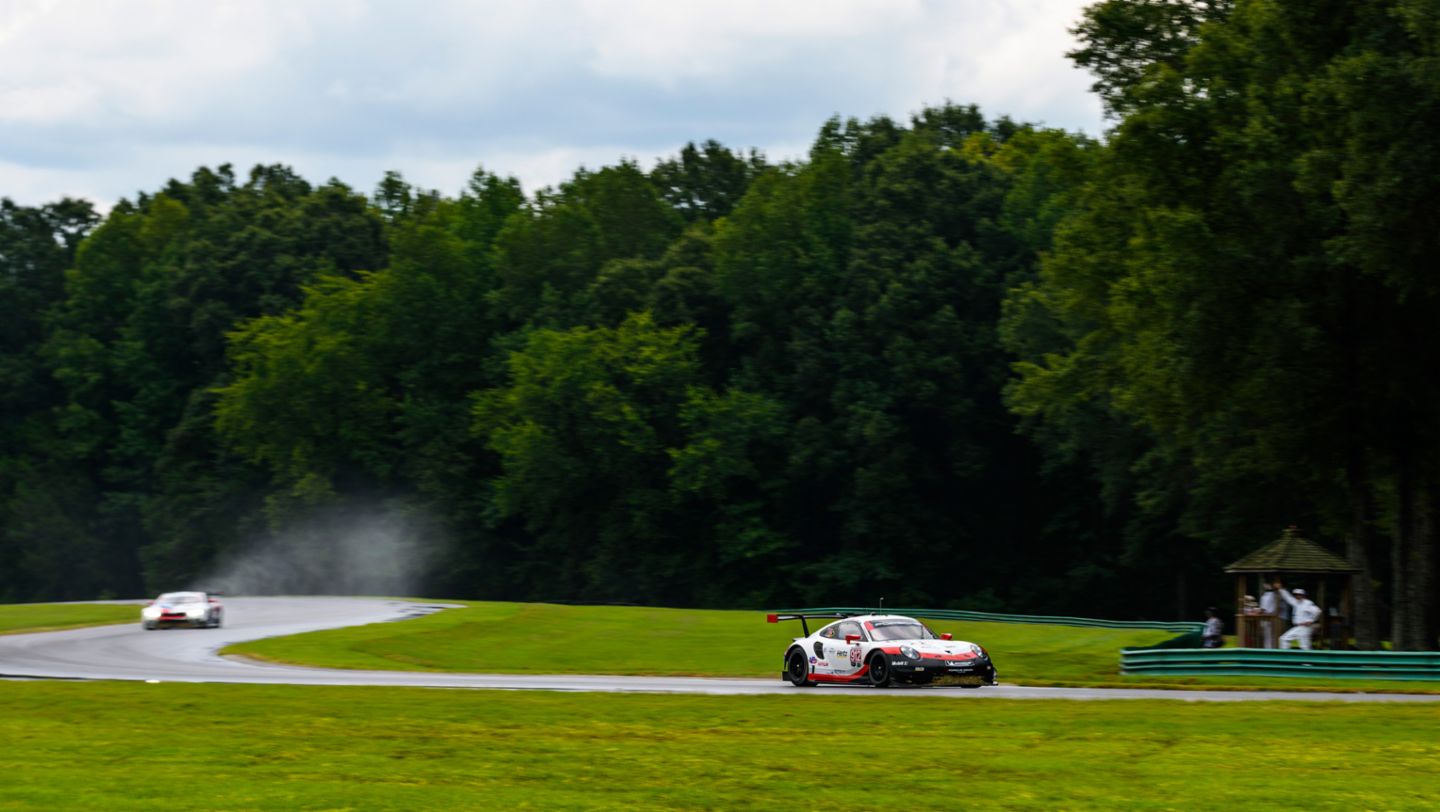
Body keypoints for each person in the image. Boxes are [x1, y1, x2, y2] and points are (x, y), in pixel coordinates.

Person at [1276, 585, 1322, 650]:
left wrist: (1310, 620)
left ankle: (1309, 657)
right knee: (1284, 639)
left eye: (1299, 594)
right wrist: (1280, 589)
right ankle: (1286, 655)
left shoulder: (1307, 603)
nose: (1297, 596)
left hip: (1305, 628)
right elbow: (1288, 597)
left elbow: (1317, 611)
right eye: (1296, 595)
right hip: (1298, 627)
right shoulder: (1296, 602)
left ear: (1303, 595)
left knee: (1305, 646)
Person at [1258, 581, 1280, 648]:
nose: (1264, 586)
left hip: (1267, 617)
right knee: (1269, 635)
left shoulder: (1267, 596)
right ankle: (1270, 648)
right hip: (1269, 617)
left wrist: (1258, 612)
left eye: (1266, 585)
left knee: (1267, 635)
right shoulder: (1272, 595)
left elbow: (1263, 609)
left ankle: (1268, 648)